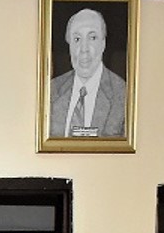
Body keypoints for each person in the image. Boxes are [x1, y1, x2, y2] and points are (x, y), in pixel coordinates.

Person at [48, 8, 127, 138]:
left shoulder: (123, 95)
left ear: (103, 44)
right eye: (77, 39)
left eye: (92, 38)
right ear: (69, 46)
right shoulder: (51, 90)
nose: (84, 49)